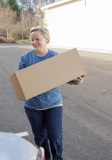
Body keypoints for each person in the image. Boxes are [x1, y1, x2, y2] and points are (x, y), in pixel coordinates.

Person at [18, 26, 84, 160]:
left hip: (53, 103)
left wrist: (77, 80)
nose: (34, 42)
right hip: (32, 106)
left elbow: (67, 78)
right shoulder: (25, 58)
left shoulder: (55, 57)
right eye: (32, 40)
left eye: (37, 39)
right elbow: (20, 82)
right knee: (40, 138)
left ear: (46, 39)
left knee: (55, 136)